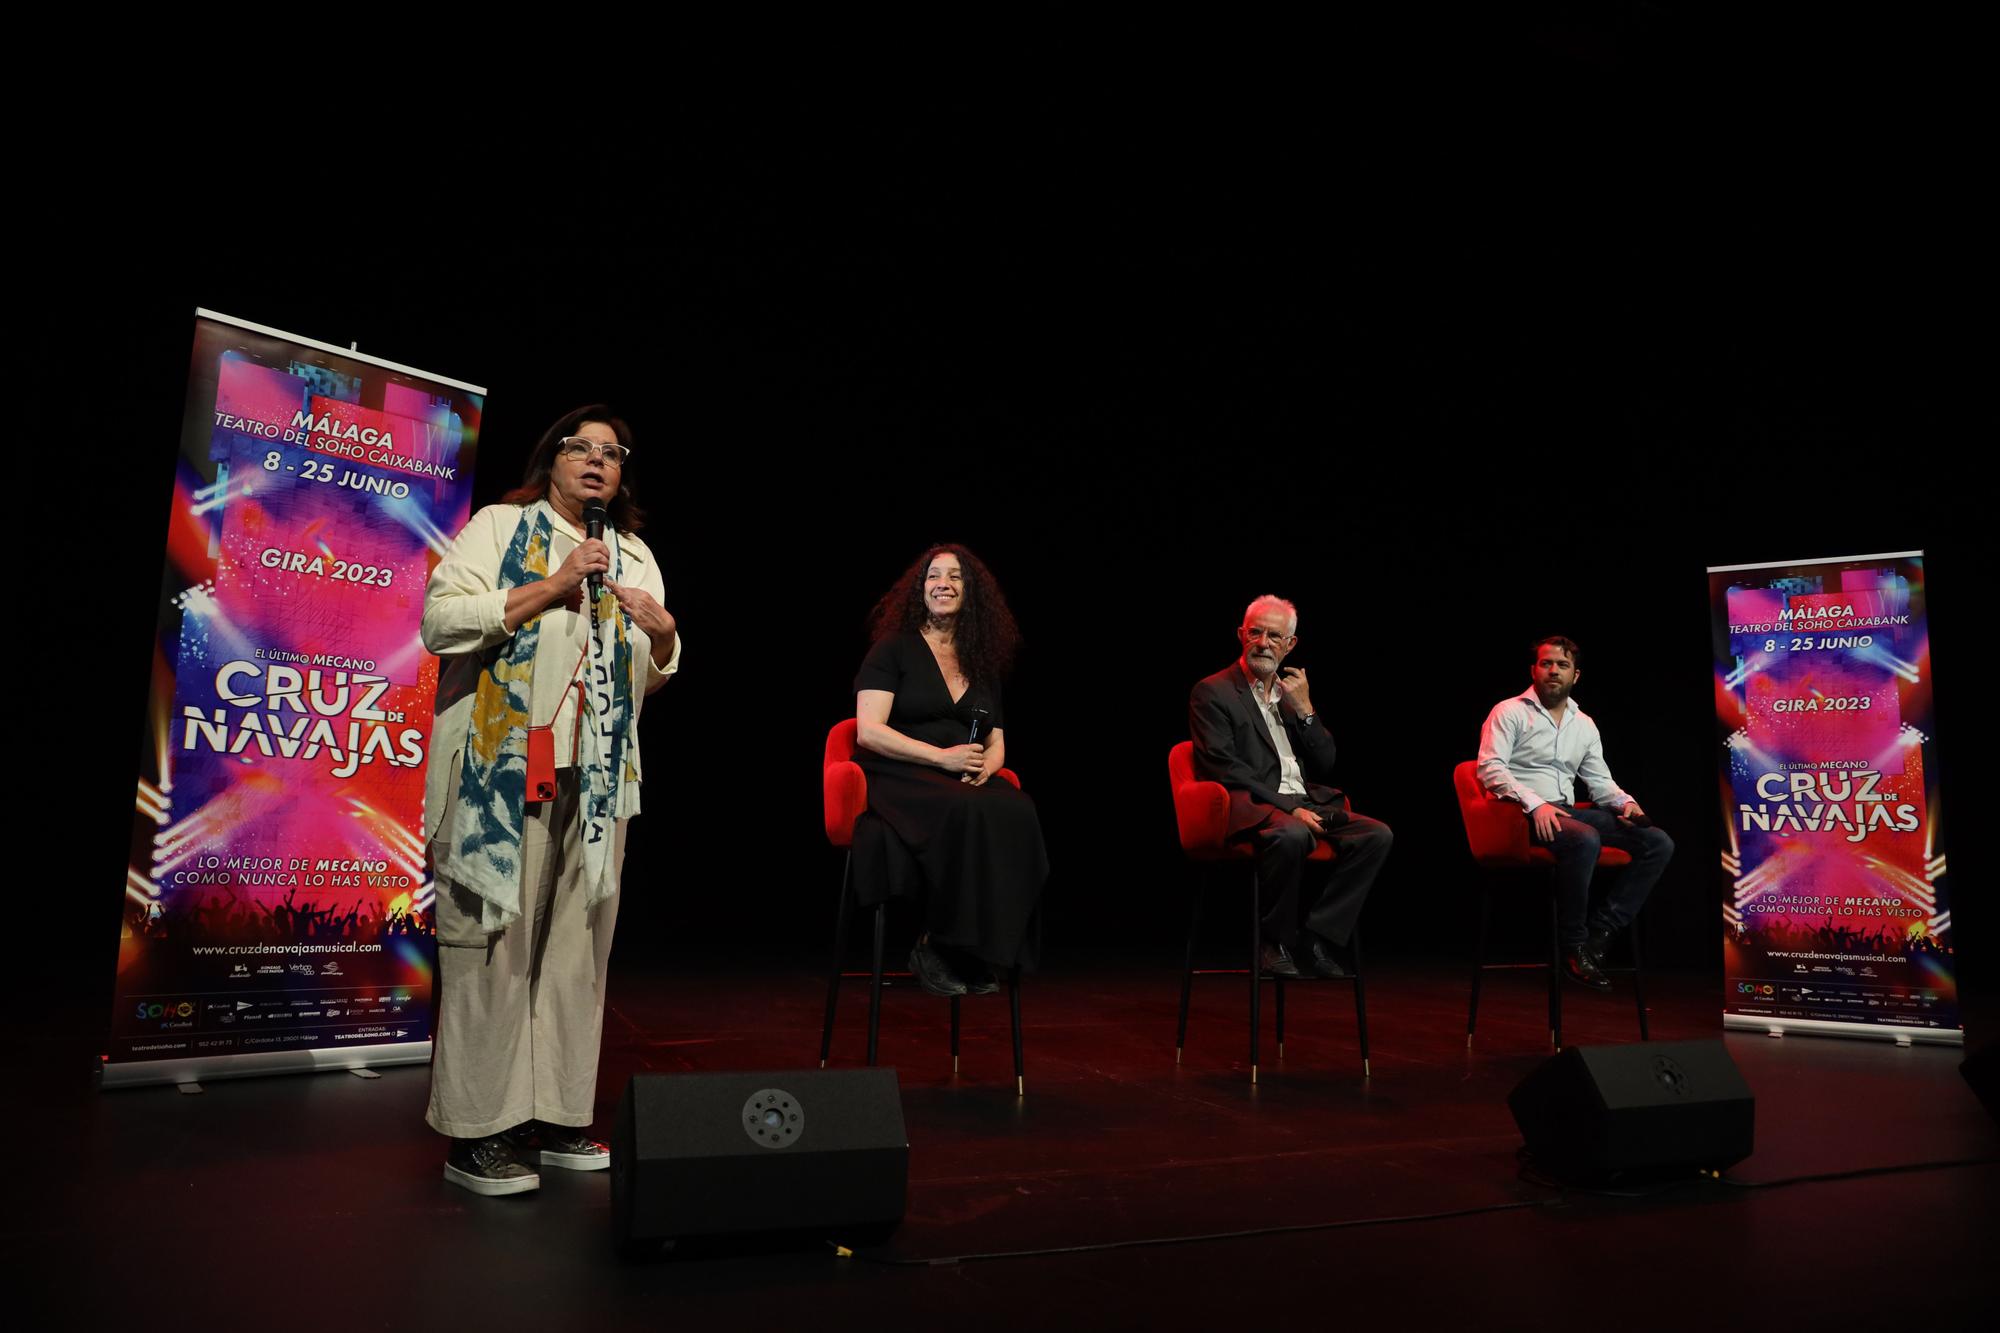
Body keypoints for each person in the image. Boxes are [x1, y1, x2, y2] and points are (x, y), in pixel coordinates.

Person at [421, 405, 681, 1196]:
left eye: (613, 452)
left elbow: (653, 670)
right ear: (554, 458)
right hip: (499, 772)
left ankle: (560, 1114)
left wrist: (665, 634)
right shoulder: (501, 527)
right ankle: (480, 1132)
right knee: (492, 947)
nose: (598, 462)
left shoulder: (633, 553)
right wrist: (552, 585)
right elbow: (439, 621)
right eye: (582, 448)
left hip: (598, 784)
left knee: (578, 952)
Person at [852, 545, 1048, 997]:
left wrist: (986, 767)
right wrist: (941, 758)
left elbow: (997, 739)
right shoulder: (894, 649)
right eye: (934, 576)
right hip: (901, 770)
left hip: (959, 773)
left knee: (1019, 811)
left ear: (970, 592)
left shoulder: (981, 660)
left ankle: (983, 949)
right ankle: (936, 943)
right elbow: (869, 732)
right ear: (920, 590)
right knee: (965, 811)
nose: (943, 583)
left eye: (955, 577)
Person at [1188, 595, 1392, 979]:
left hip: (1303, 800)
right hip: (1253, 804)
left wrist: (1307, 710)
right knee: (1293, 834)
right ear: (1241, 635)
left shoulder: (1290, 695)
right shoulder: (1213, 691)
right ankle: (1273, 942)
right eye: (1255, 633)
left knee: (1376, 836)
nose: (1263, 643)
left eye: (1274, 635)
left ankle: (1317, 938)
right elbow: (1223, 765)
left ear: (1290, 645)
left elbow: (1327, 762)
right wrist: (1287, 806)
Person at [1476, 635, 1673, 989]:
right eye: (1546, 663)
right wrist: (1534, 803)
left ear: (1575, 675)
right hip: (1517, 815)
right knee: (1584, 838)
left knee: (1656, 842)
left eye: (1562, 665)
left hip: (1564, 812)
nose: (1554, 671)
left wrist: (1625, 802)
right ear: (1533, 670)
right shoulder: (1508, 711)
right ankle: (1573, 946)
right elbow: (1490, 769)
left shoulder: (1583, 723)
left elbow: (1598, 780)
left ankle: (1601, 933)